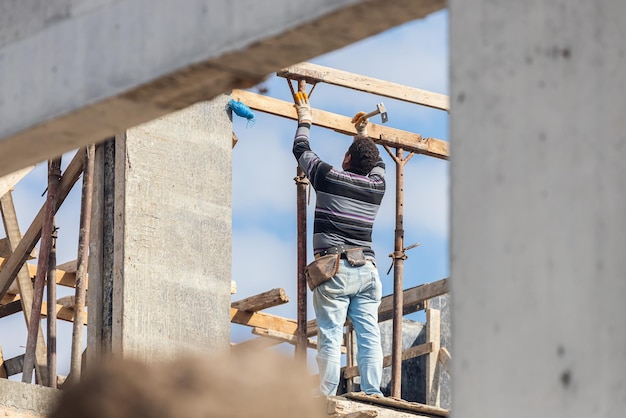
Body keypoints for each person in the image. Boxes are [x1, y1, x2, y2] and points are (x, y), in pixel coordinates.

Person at [292, 91, 386, 397]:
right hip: (367, 271)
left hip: (335, 269)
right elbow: (379, 164)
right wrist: (365, 135)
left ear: (347, 159)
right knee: (369, 334)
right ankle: (373, 392)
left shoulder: (329, 177)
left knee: (331, 336)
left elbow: (301, 149)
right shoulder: (377, 187)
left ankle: (326, 394)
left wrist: (305, 117)